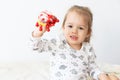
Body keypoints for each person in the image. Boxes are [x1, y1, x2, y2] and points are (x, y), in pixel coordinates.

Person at [30, 5, 119, 80]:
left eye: (80, 28)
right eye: (70, 26)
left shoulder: (88, 49)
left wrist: (101, 75)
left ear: (88, 32)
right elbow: (36, 47)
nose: (74, 31)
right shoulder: (58, 43)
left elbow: (92, 68)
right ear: (63, 27)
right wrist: (38, 33)